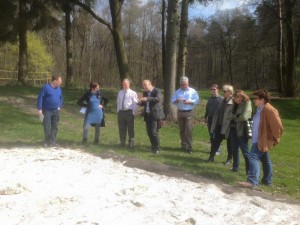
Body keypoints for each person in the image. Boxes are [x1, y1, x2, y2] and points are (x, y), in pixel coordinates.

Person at [239, 89, 283, 188]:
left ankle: (252, 182)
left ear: (263, 100)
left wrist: (275, 138)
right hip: (257, 139)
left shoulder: (269, 110)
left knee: (253, 157)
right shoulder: (260, 109)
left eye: (256, 98)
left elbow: (278, 126)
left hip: (262, 140)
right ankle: (267, 181)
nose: (254, 100)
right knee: (265, 160)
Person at [171, 76, 199, 153]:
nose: (183, 86)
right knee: (182, 129)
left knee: (189, 130)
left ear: (188, 83)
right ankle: (183, 145)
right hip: (180, 112)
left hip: (189, 112)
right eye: (182, 84)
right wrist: (177, 100)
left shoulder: (192, 91)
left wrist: (190, 101)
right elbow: (172, 101)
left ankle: (189, 147)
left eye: (185, 84)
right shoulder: (177, 92)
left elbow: (197, 100)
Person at [206, 84, 234, 163]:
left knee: (229, 144)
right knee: (215, 142)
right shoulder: (223, 101)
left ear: (230, 92)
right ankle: (211, 158)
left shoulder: (233, 102)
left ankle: (229, 159)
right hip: (219, 125)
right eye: (223, 91)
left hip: (228, 127)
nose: (223, 92)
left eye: (225, 91)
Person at [227, 90, 252, 173]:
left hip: (242, 130)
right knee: (234, 149)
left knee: (245, 151)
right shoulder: (234, 104)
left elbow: (244, 117)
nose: (235, 100)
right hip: (233, 129)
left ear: (241, 97)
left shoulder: (247, 103)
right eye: (234, 98)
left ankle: (248, 170)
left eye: (236, 98)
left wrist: (235, 117)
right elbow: (228, 115)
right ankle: (235, 167)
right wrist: (236, 116)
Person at [138, 80, 165, 154]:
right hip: (147, 114)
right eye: (143, 85)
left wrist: (147, 99)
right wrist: (140, 102)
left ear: (150, 84)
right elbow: (144, 103)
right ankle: (153, 146)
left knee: (154, 132)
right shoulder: (145, 92)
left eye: (146, 85)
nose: (144, 87)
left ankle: (157, 148)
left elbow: (158, 99)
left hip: (155, 114)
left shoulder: (157, 91)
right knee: (149, 132)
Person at [37, 75, 63, 147]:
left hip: (56, 111)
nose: (61, 82)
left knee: (55, 126)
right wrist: (39, 109)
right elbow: (40, 98)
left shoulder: (59, 89)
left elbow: (61, 98)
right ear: (55, 81)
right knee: (47, 126)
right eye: (59, 81)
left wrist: (59, 106)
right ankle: (46, 141)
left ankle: (52, 141)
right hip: (47, 111)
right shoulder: (46, 87)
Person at [117, 78, 138, 148]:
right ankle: (122, 142)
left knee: (130, 128)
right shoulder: (120, 92)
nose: (124, 85)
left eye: (125, 84)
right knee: (121, 128)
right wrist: (118, 111)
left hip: (129, 112)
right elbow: (118, 102)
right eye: (123, 84)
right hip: (121, 112)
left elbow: (135, 104)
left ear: (129, 84)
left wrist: (133, 113)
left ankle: (131, 143)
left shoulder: (133, 93)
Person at [204, 84, 223, 155]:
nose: (213, 91)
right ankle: (213, 149)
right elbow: (207, 109)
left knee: (217, 135)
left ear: (218, 90)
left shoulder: (221, 99)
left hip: (218, 120)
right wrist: (205, 116)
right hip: (210, 119)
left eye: (214, 89)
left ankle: (217, 150)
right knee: (211, 135)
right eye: (212, 89)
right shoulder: (210, 99)